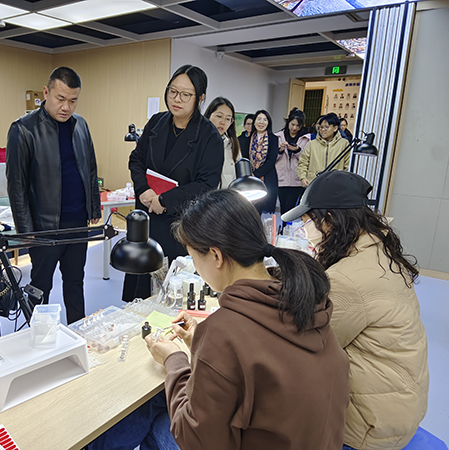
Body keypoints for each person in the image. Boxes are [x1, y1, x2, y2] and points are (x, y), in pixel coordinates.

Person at [89, 189, 349, 450]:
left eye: (193, 258)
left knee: (154, 416)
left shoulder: (225, 329)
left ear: (216, 256)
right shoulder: (306, 301)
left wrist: (174, 359)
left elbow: (197, 439)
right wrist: (201, 345)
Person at [281, 170, 429, 450]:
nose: (304, 232)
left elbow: (302, 345)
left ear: (329, 221)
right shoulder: (378, 249)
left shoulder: (348, 279)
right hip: (401, 402)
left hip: (370, 427)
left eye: (306, 222)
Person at [6, 67, 101, 324]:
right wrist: (25, 230)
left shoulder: (81, 126)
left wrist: (94, 208)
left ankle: (79, 332)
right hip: (44, 226)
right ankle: (38, 339)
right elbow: (17, 185)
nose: (66, 107)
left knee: (75, 282)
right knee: (40, 286)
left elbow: (90, 169)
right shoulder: (23, 129)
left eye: (73, 100)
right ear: (46, 93)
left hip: (77, 222)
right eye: (60, 99)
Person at [123, 65, 224, 301]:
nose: (176, 99)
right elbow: (136, 159)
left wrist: (165, 201)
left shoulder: (209, 136)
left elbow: (206, 184)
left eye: (185, 95)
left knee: (169, 294)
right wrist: (143, 190)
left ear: (200, 98)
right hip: (146, 217)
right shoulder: (157, 122)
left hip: (180, 225)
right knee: (138, 293)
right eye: (172, 92)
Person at [274, 108, 311, 217]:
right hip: (281, 178)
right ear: (288, 122)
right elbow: (272, 158)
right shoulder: (278, 136)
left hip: (296, 179)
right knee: (283, 207)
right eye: (292, 124)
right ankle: (283, 229)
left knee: (291, 208)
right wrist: (280, 151)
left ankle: (286, 228)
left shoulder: (306, 138)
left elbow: (307, 159)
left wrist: (297, 151)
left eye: (298, 125)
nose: (294, 128)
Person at [297, 112, 349, 187]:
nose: (323, 130)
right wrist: (303, 178)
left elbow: (347, 166)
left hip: (336, 186)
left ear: (335, 128)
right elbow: (303, 163)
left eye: (326, 127)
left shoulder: (344, 144)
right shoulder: (312, 144)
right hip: (314, 185)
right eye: (321, 127)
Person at [244, 109, 279, 214]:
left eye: (265, 119)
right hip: (250, 178)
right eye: (259, 119)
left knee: (264, 210)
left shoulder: (273, 139)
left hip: (267, 178)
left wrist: (256, 173)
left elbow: (272, 160)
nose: (261, 122)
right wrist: (249, 174)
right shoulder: (248, 138)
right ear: (254, 122)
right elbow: (245, 157)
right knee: (250, 210)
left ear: (268, 123)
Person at [204, 97, 241, 188]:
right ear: (209, 116)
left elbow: (238, 178)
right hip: (202, 199)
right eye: (219, 116)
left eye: (228, 119)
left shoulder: (233, 146)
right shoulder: (197, 143)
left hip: (226, 199)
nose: (223, 122)